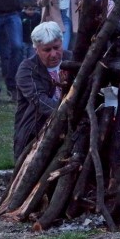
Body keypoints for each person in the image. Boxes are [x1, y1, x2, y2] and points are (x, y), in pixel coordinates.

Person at [14, 21, 72, 161]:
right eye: (47, 50)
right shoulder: (27, 69)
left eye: (56, 47)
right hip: (36, 130)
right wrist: (69, 114)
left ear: (62, 42)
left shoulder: (72, 59)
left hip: (71, 126)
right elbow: (40, 101)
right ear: (36, 49)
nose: (53, 54)